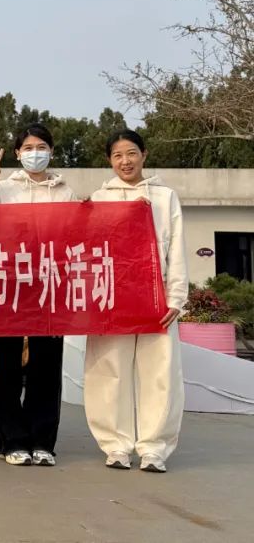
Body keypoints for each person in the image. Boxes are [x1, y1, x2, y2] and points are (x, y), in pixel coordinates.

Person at [0, 123, 78, 467]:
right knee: (6, 364)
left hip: (49, 284)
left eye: (41, 147)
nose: (35, 153)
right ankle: (11, 440)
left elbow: (76, 232)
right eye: (28, 148)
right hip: (9, 282)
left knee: (46, 365)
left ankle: (43, 440)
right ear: (18, 154)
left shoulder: (65, 192)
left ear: (52, 151)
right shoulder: (4, 188)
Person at [83, 130, 187, 473]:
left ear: (144, 154)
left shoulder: (165, 197)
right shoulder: (100, 198)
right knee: (109, 370)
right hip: (112, 297)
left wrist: (176, 297)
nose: (125, 161)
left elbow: (176, 248)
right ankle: (116, 445)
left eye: (131, 153)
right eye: (117, 155)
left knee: (159, 372)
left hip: (156, 298)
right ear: (109, 161)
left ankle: (155, 447)